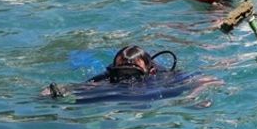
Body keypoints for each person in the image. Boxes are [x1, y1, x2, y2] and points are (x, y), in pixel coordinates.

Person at [44, 45, 180, 103]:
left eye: (133, 72)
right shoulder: (109, 76)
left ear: (151, 71)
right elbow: (85, 86)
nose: (127, 77)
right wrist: (62, 90)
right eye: (121, 71)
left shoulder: (161, 76)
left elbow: (199, 79)